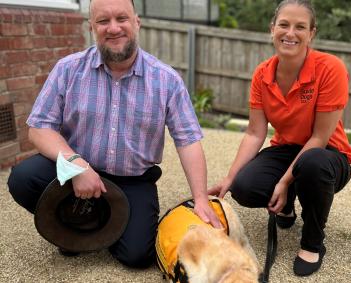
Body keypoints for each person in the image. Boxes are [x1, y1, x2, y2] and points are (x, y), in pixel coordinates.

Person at [7, 0, 221, 268]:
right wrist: (77, 167)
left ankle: (88, 222)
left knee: (137, 257)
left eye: (122, 18)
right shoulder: (68, 69)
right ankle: (74, 228)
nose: (114, 28)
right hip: (75, 169)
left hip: (132, 181)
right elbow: (39, 128)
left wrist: (200, 199)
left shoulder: (166, 80)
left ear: (136, 22)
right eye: (103, 21)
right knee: (23, 178)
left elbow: (188, 141)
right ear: (91, 27)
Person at [209, 0, 351, 277]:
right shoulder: (262, 74)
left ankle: (313, 242)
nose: (291, 33)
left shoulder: (330, 68)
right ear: (272, 29)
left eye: (300, 27)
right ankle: (286, 206)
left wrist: (285, 181)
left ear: (312, 33)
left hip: (328, 155)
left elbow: (319, 138)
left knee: (312, 164)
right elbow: (255, 133)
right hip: (287, 148)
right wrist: (229, 178)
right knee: (244, 186)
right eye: (284, 25)